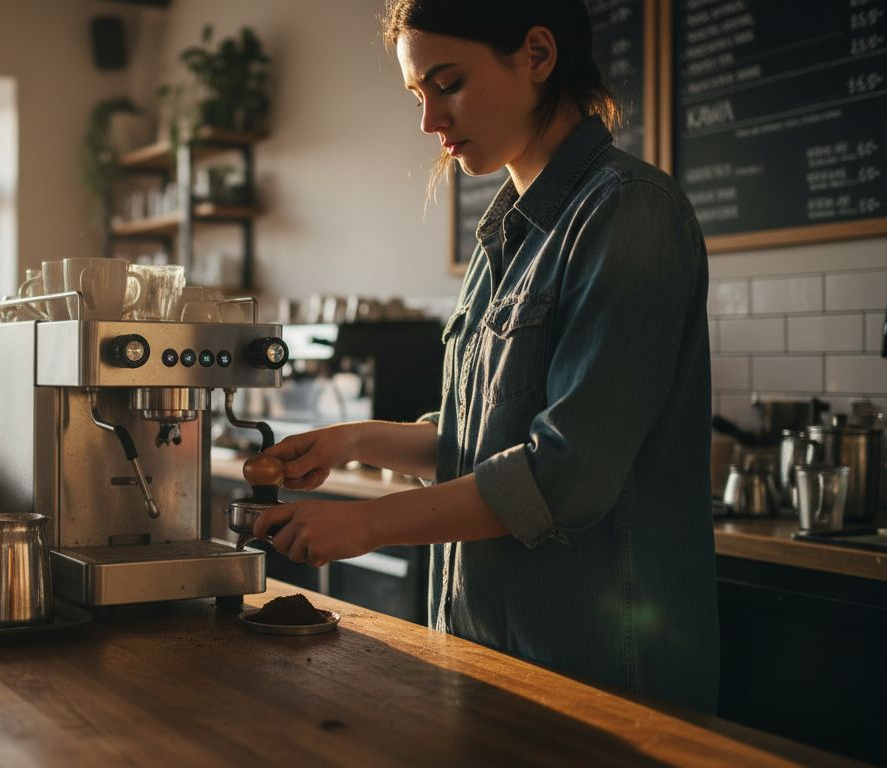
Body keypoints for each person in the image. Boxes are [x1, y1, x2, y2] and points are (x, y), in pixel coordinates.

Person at [251, 0, 719, 712]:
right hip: (490, 662)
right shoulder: (502, 236)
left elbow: (566, 476)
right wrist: (351, 442)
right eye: (418, 94)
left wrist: (367, 523)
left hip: (604, 680)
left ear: (536, 55)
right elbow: (480, 442)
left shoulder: (630, 213)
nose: (429, 122)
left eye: (448, 83)